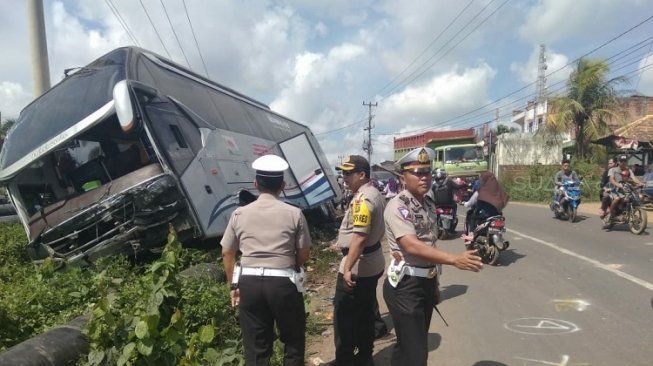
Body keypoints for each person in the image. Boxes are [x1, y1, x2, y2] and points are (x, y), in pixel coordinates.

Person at [383, 147, 483, 366]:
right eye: (417, 173)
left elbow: (430, 242)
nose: (424, 177)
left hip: (424, 282)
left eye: (427, 172)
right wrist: (455, 259)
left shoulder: (427, 203)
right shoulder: (397, 206)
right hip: (405, 286)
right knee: (417, 355)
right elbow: (412, 246)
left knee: (408, 347)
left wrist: (434, 284)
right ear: (403, 178)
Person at [221, 154, 311, 366]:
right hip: (283, 283)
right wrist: (292, 267)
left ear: (255, 184)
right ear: (283, 185)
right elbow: (304, 253)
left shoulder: (239, 214)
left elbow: (227, 253)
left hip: (249, 283)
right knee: (293, 340)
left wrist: (233, 284)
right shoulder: (294, 213)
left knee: (256, 347)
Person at [333, 155, 386, 366]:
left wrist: (347, 268)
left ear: (362, 175)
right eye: (342, 173)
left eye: (348, 173)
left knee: (344, 319)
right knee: (365, 314)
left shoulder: (363, 199)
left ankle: (345, 360)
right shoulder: (373, 193)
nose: (344, 177)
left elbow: (360, 237)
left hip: (358, 266)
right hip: (371, 262)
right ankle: (365, 357)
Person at [462, 171, 509, 242]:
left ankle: (471, 235)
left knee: (472, 217)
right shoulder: (498, 188)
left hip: (485, 214)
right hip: (498, 214)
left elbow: (472, 202)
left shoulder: (482, 189)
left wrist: (466, 204)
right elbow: (505, 198)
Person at [605, 154, 643, 224]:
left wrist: (640, 183)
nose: (623, 162)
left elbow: (634, 178)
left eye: (625, 161)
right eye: (621, 161)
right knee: (617, 199)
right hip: (615, 189)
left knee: (640, 197)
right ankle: (610, 214)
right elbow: (611, 179)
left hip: (626, 189)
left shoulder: (629, 170)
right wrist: (618, 185)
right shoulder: (612, 170)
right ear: (618, 162)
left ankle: (630, 212)